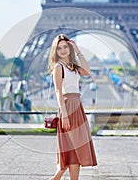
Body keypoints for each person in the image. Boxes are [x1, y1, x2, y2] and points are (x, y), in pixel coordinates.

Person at [48, 34, 97, 180]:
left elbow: (87, 72)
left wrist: (77, 50)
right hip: (67, 107)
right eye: (59, 48)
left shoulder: (73, 67)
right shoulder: (58, 67)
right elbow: (58, 91)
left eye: (65, 47)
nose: (63, 50)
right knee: (72, 147)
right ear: (55, 51)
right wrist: (64, 114)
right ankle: (58, 176)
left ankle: (58, 176)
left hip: (77, 106)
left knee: (76, 149)